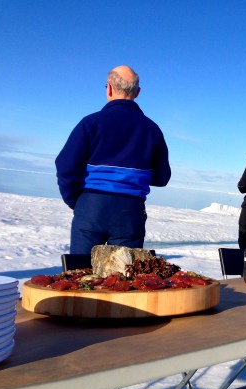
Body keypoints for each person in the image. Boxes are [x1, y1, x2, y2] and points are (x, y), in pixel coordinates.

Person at [55, 65, 171, 253]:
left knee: (80, 275)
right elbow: (162, 177)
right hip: (130, 211)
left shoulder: (91, 123)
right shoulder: (152, 130)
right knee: (122, 278)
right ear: (138, 92)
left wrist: (77, 202)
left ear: (108, 88)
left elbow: (66, 166)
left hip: (91, 207)